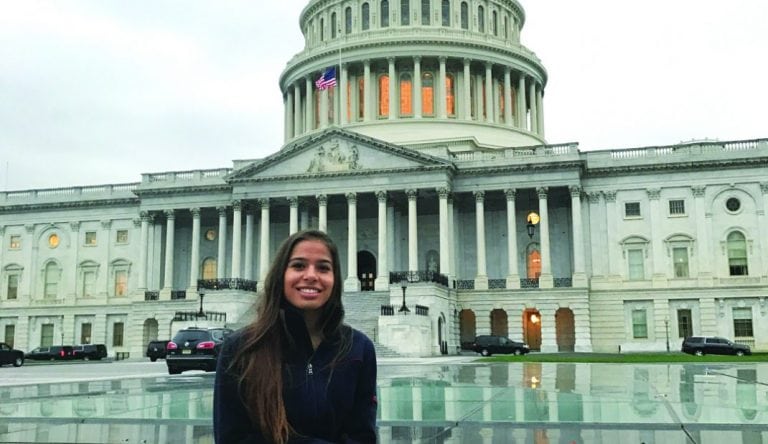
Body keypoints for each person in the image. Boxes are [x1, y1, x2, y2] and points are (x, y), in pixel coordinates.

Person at [214, 230, 378, 443]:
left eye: (323, 268)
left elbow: (363, 435)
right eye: (299, 265)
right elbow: (231, 438)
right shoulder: (241, 349)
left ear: (335, 279)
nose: (311, 275)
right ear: (281, 274)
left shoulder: (359, 349)